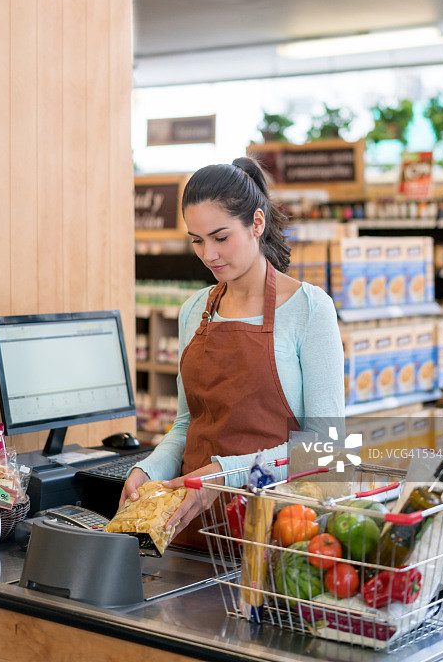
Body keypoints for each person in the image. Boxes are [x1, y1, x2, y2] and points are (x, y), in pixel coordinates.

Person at [120, 156, 344, 542]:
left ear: (257, 224)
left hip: (280, 534)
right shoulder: (194, 310)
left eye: (220, 238)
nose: (209, 255)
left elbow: (326, 450)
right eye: (197, 241)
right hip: (193, 529)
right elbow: (187, 425)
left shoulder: (309, 309)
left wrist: (226, 474)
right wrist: (149, 469)